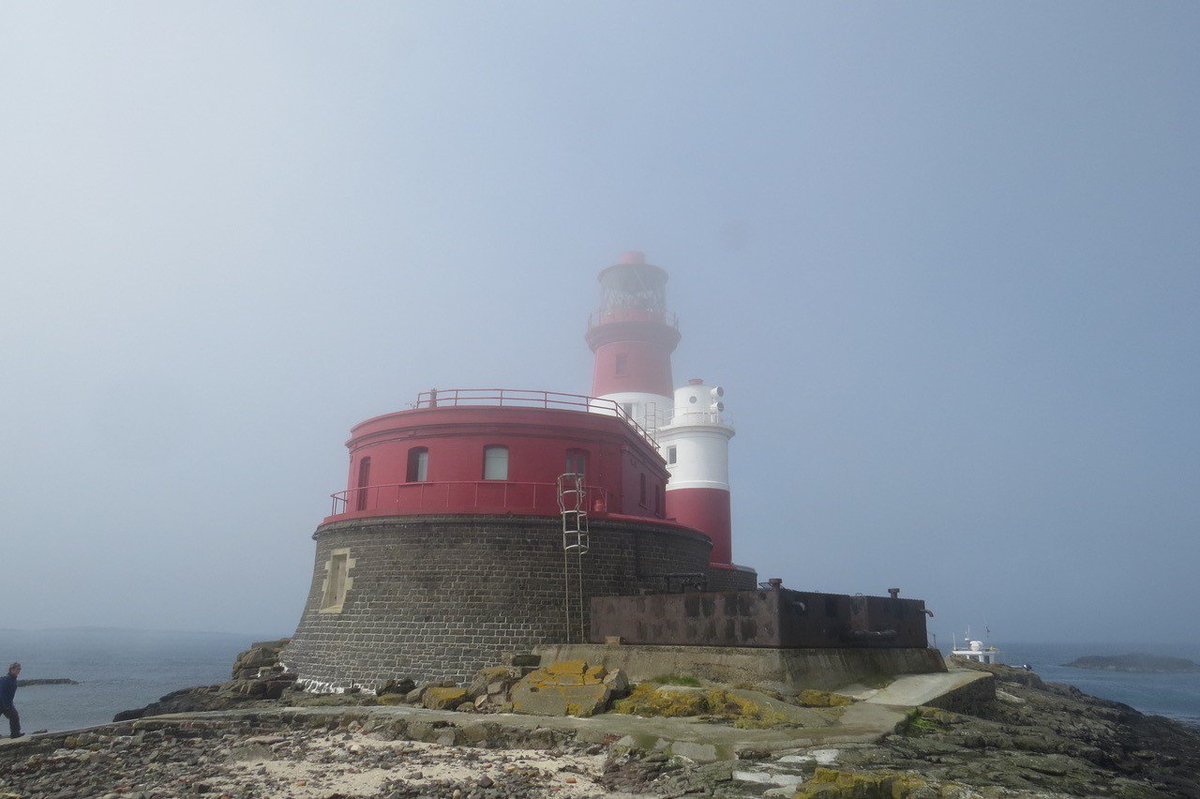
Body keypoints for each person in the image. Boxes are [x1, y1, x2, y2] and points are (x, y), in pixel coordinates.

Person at [0, 662, 22, 738]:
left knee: (15, 717)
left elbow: (10, 694)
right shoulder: (6, 679)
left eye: (19, 669)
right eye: (17, 669)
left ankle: (15, 733)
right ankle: (15, 733)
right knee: (14, 716)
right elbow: (2, 692)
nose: (18, 671)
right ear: (11, 670)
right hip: (2, 703)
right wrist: (6, 705)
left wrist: (10, 704)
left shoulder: (14, 680)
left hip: (8, 703)